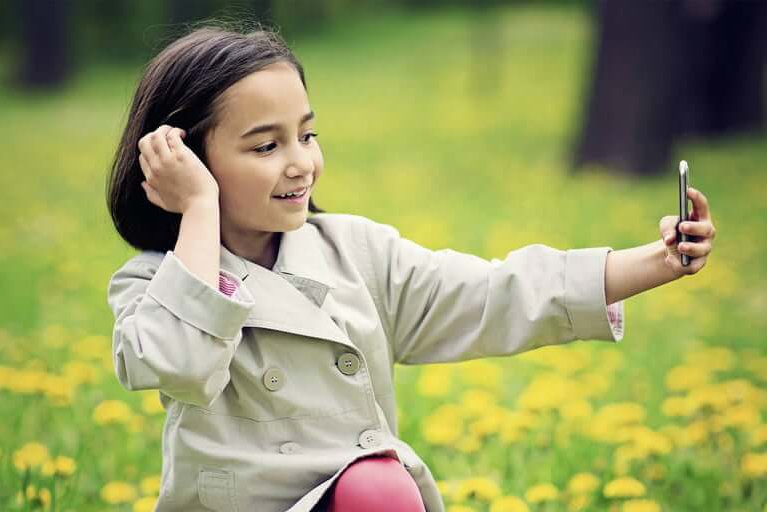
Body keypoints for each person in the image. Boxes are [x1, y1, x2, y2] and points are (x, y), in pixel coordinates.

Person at [105, 21, 716, 512]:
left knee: (378, 485)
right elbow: (180, 363)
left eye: (307, 135)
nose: (300, 164)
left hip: (357, 500)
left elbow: (494, 293)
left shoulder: (355, 255)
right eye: (266, 146)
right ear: (180, 159)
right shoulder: (149, 286)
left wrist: (659, 260)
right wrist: (200, 209)